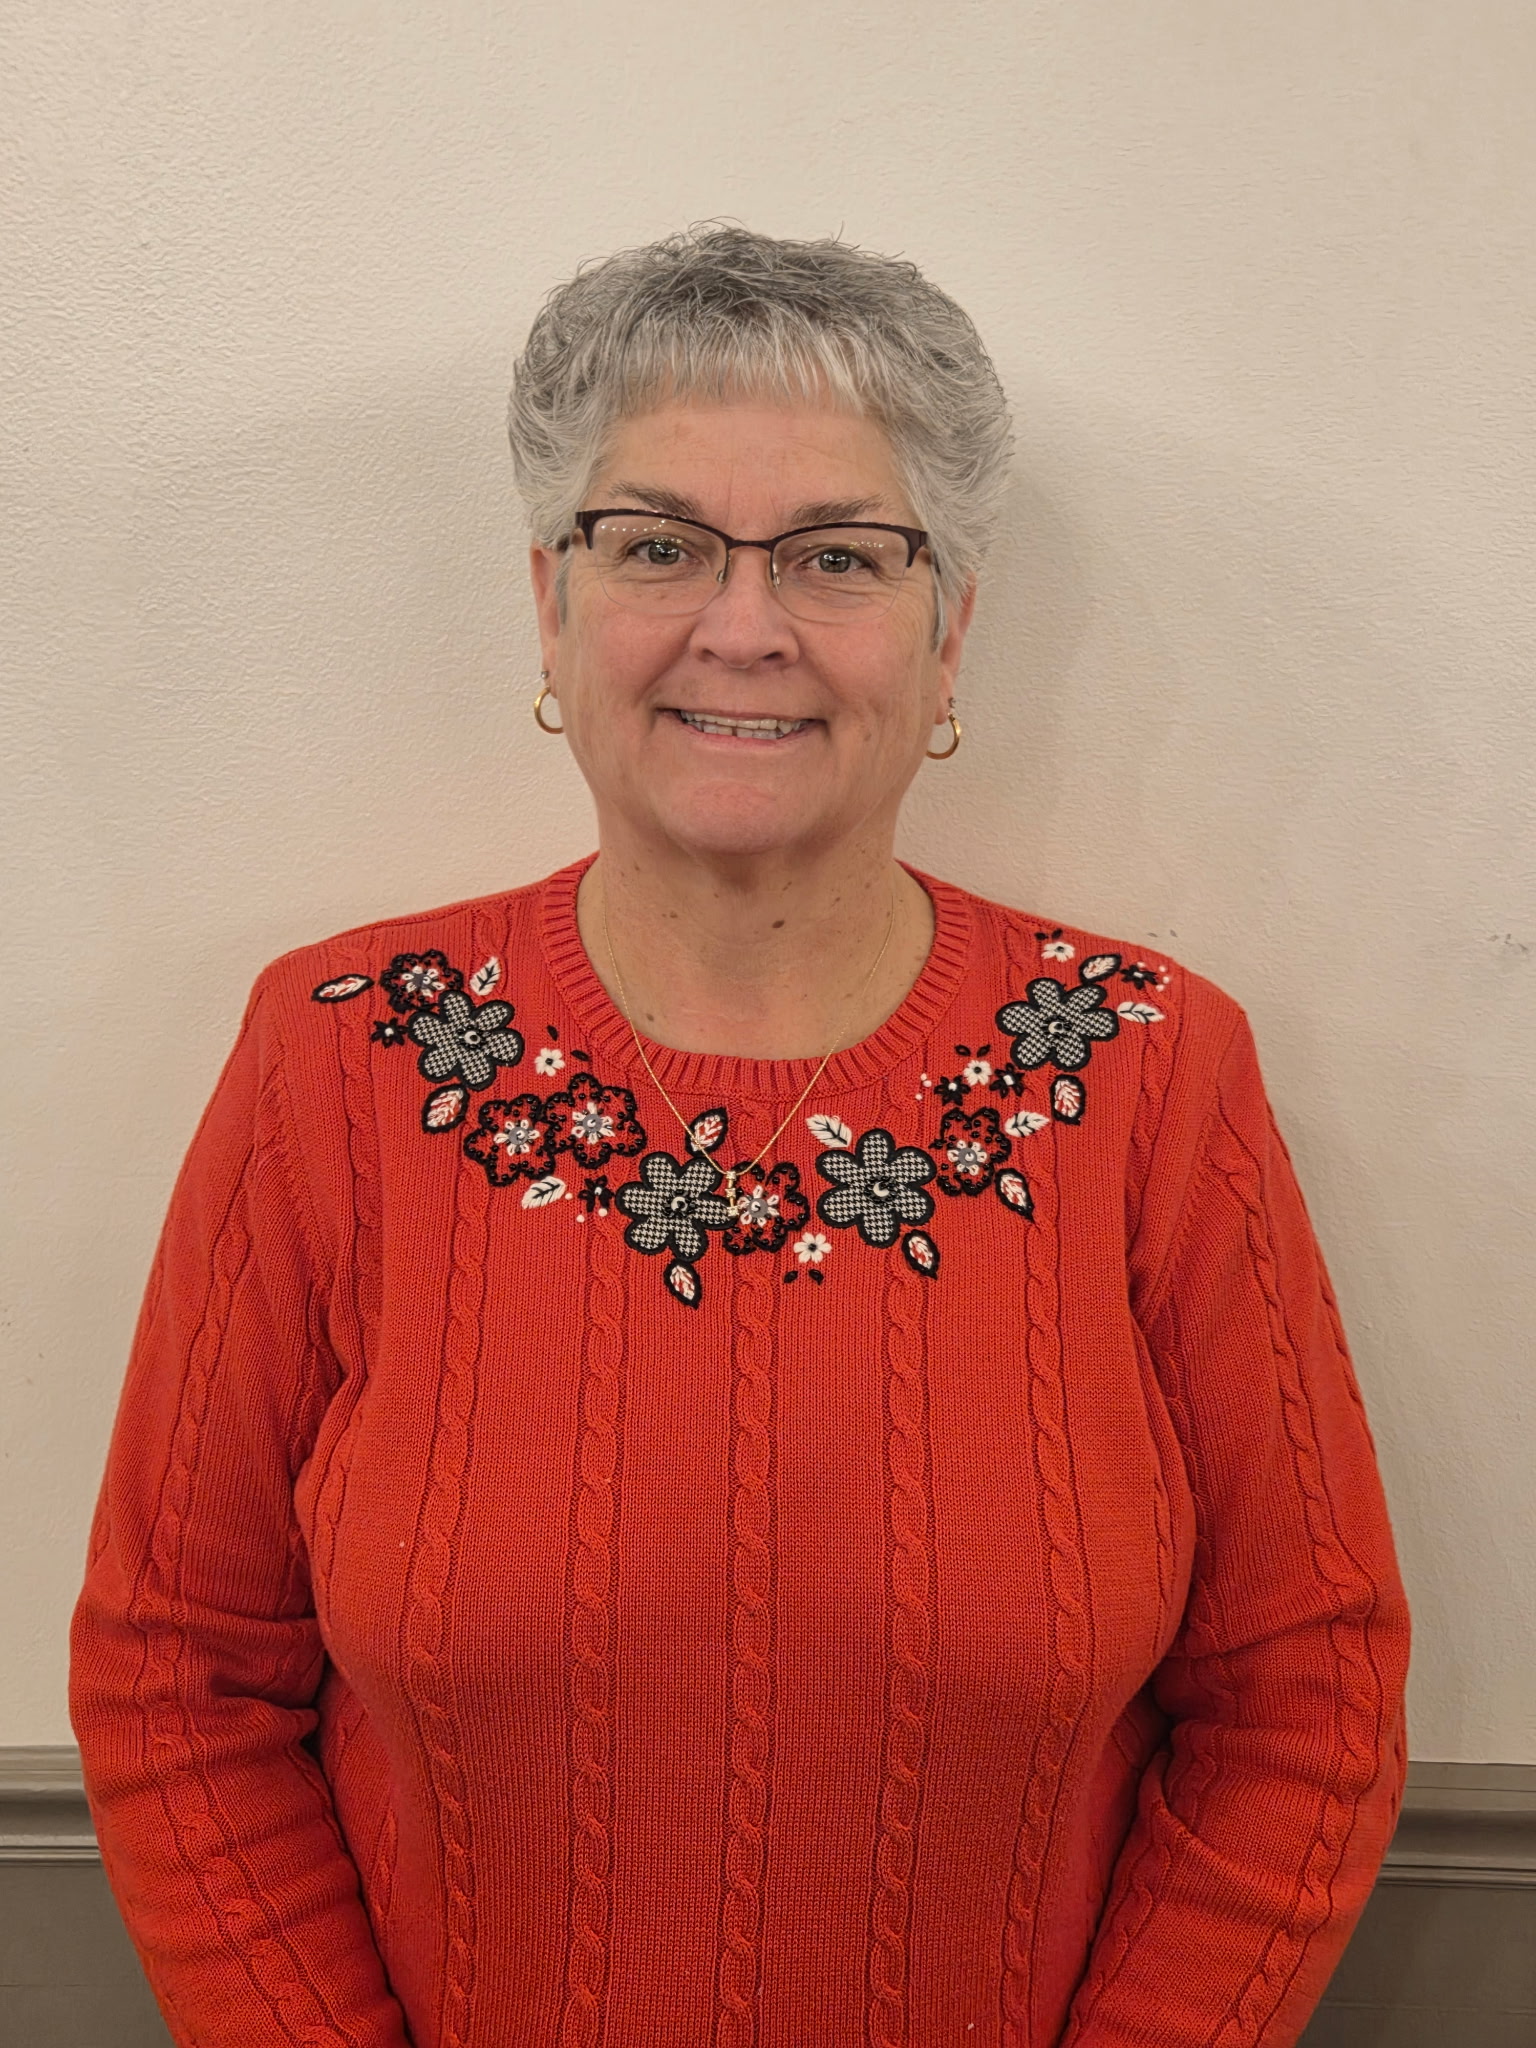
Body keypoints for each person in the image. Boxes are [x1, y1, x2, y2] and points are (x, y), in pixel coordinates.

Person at [70, 225, 1410, 2048]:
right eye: (659, 544)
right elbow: (176, 1679)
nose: (744, 624)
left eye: (838, 556)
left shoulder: (1148, 1072)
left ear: (950, 631)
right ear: (552, 607)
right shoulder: (345, 1055)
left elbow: (1305, 1699)